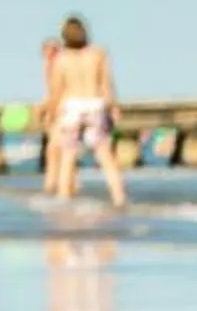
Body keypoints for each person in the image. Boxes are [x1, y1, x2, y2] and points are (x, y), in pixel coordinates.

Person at [39, 15, 129, 206]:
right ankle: (119, 196)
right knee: (105, 155)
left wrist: (51, 113)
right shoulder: (98, 54)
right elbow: (106, 84)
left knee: (68, 155)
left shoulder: (61, 59)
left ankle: (63, 198)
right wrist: (113, 107)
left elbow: (56, 91)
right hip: (95, 104)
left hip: (72, 106)